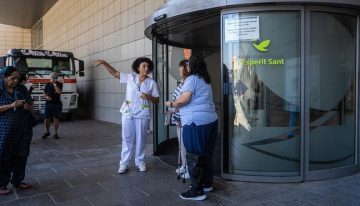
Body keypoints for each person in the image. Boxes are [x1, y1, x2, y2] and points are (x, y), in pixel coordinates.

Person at [165, 55, 218, 201]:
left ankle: (196, 191)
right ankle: (206, 184)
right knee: (206, 154)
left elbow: (184, 99)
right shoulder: (204, 79)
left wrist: (170, 103)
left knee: (194, 155)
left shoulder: (192, 79)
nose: (184, 67)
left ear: (191, 66)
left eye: (187, 64)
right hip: (210, 121)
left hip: (195, 123)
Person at [95, 57, 159, 173]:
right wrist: (104, 63)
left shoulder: (152, 83)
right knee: (127, 138)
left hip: (142, 114)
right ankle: (124, 163)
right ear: (138, 68)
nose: (146, 68)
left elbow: (157, 100)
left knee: (141, 139)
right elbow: (115, 73)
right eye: (144, 66)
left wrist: (148, 96)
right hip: (127, 112)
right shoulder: (130, 78)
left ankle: (140, 162)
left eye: (148, 66)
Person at [0, 66, 32, 195]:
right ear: (4, 77)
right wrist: (11, 105)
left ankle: (18, 180)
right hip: (4, 130)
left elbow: (31, 105)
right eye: (12, 78)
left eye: (17, 78)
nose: (15, 81)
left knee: (21, 155)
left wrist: (26, 105)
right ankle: (2, 184)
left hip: (23, 129)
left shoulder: (22, 89)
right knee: (4, 156)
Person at [166, 60, 189, 179]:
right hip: (179, 118)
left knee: (185, 145)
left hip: (184, 119)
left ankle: (188, 167)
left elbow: (183, 103)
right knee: (182, 145)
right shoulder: (182, 84)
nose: (179, 71)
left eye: (181, 69)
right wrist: (172, 109)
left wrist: (171, 104)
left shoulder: (188, 84)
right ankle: (184, 165)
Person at [42, 72, 63, 139]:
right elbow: (44, 92)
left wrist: (54, 84)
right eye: (51, 77)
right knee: (46, 118)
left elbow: (59, 91)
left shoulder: (59, 84)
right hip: (48, 104)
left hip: (56, 104)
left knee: (56, 118)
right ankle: (47, 132)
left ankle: (56, 133)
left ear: (56, 78)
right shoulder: (47, 84)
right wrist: (46, 97)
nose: (52, 79)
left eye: (53, 78)